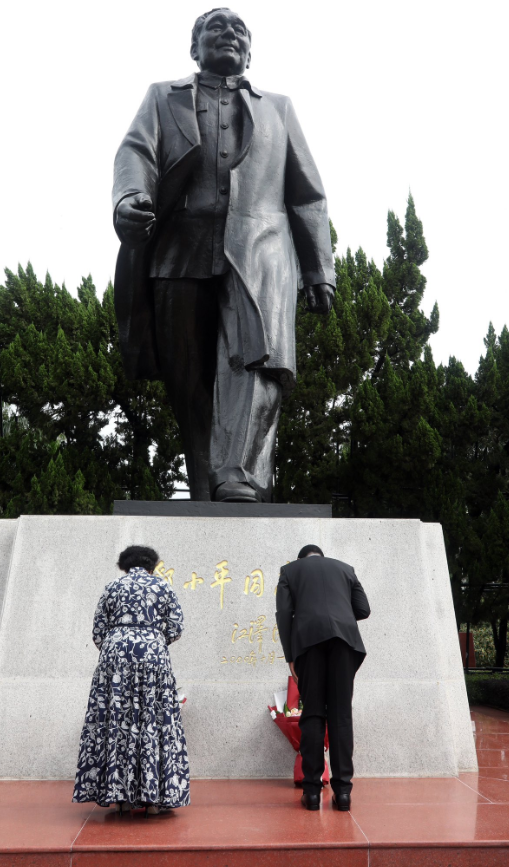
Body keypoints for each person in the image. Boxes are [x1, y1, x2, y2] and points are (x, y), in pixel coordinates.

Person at [113, 7, 335, 503]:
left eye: (239, 30)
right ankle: (202, 482)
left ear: (250, 51)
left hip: (257, 254)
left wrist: (319, 268)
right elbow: (135, 153)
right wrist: (129, 200)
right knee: (186, 376)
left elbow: (306, 194)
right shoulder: (161, 97)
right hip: (178, 249)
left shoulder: (279, 108)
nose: (229, 34)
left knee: (253, 362)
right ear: (195, 48)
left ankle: (238, 476)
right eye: (216, 28)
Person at [73, 545, 190, 815]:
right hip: (153, 655)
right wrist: (153, 642)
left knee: (118, 721)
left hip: (115, 657)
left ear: (124, 565)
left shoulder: (112, 586)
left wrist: (118, 643)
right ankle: (153, 801)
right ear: (152, 565)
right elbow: (175, 627)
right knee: (152, 721)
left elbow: (98, 630)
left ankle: (122, 797)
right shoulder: (163, 587)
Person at [275, 544, 370, 812]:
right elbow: (363, 609)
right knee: (341, 715)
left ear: (301, 559)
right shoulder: (345, 569)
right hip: (344, 643)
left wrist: (290, 656)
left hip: (308, 644)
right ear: (322, 557)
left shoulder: (290, 571)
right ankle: (343, 793)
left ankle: (312, 792)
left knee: (313, 714)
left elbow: (283, 615)